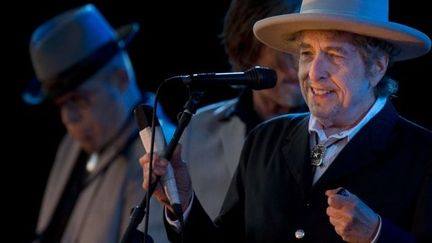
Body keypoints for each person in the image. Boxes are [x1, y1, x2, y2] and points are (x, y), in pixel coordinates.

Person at [140, 0, 432, 242]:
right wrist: (184, 202)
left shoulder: (422, 155)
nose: (313, 72)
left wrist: (377, 236)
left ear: (377, 67)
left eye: (334, 55)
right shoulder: (266, 139)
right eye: (307, 53)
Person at [24, 4, 174, 243]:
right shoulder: (71, 147)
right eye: (61, 105)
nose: (67, 118)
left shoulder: (162, 155)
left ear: (120, 80)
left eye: (78, 100)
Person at [179, 0, 306, 220]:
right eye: (287, 48)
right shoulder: (195, 129)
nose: (299, 66)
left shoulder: (335, 131)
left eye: (307, 51)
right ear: (248, 49)